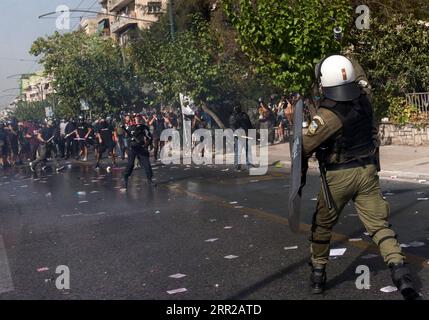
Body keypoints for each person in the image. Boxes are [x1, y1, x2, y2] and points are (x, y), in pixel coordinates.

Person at [286, 54, 419, 299]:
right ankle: (401, 274)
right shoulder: (366, 101)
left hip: (338, 177)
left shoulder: (327, 116)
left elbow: (302, 147)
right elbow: (361, 79)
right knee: (380, 227)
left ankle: (318, 275)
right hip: (367, 172)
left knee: (322, 225)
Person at [122, 115, 155, 189]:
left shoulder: (143, 127)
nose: (137, 119)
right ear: (133, 119)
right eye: (135, 118)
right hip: (132, 148)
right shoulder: (128, 128)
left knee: (147, 165)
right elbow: (125, 138)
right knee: (130, 165)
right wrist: (130, 141)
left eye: (138, 118)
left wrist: (146, 145)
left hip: (141, 148)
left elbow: (149, 137)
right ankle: (125, 178)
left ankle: (150, 180)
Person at [229, 105, 254, 171]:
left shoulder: (244, 115)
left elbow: (249, 124)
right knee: (238, 151)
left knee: (248, 150)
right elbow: (232, 126)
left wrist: (251, 132)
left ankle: (249, 164)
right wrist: (236, 132)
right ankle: (237, 166)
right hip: (238, 137)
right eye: (236, 107)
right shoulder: (233, 116)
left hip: (246, 135)